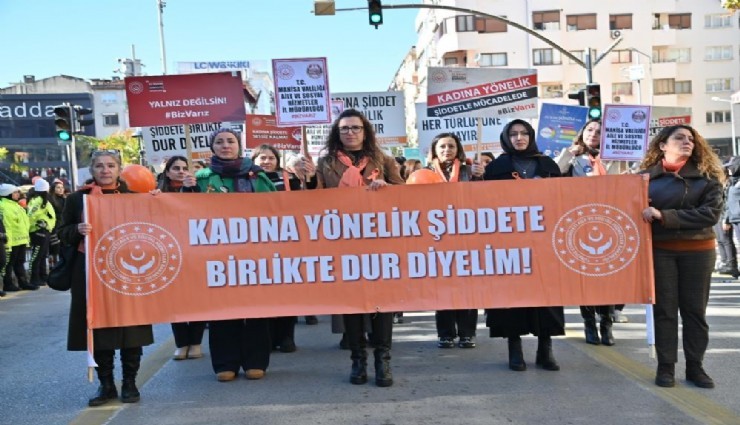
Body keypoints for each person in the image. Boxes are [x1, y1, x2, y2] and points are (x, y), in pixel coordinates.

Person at [311, 109, 404, 387]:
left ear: (365, 131)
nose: (350, 132)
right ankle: (358, 359)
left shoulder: (382, 159)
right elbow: (314, 198)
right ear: (337, 133)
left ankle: (383, 359)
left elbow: (406, 193)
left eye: (355, 128)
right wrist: (305, 177)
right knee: (352, 302)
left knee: (381, 302)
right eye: (344, 129)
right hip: (343, 239)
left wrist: (387, 188)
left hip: (379, 239)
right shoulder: (326, 162)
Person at [58, 150, 154, 406]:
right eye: (99, 166)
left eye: (111, 165)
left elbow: (154, 225)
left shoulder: (134, 198)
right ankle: (107, 384)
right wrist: (76, 230)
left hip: (128, 271)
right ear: (92, 170)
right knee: (99, 327)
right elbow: (62, 233)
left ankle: (130, 382)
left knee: (131, 325)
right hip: (90, 271)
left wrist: (156, 201)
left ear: (119, 170)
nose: (105, 170)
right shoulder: (77, 199)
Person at [639, 125, 724, 389]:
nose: (687, 142)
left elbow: (710, 214)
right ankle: (665, 367)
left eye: (691, 139)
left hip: (698, 252)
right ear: (662, 145)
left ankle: (695, 367)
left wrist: (663, 215)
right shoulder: (643, 179)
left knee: (694, 312)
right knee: (664, 311)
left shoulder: (708, 177)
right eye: (679, 138)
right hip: (660, 251)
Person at [196, 128, 276, 381]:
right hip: (217, 254)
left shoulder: (258, 176)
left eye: (230, 141)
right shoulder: (201, 178)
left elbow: (276, 208)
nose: (225, 145)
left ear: (239, 145)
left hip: (255, 253)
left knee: (256, 309)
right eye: (219, 142)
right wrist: (184, 191)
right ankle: (225, 363)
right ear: (212, 147)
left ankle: (256, 361)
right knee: (222, 309)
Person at [483, 119, 564, 372]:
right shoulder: (495, 168)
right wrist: (477, 180)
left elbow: (562, 198)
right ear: (506, 138)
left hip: (544, 239)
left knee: (547, 296)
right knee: (511, 296)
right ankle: (515, 348)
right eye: (514, 134)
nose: (519, 138)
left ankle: (545, 349)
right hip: (508, 241)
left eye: (524, 133)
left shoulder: (548, 165)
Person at [555, 118, 620, 346]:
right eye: (590, 129)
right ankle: (589, 322)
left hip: (610, 221)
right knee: (586, 278)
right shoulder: (574, 157)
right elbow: (554, 172)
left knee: (608, 278)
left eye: (599, 131)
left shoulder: (615, 157)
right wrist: (568, 154)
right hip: (580, 222)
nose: (593, 134)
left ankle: (606, 323)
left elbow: (624, 183)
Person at [251, 144, 317, 352]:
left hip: (286, 242)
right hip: (257, 244)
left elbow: (307, 200)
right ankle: (268, 338)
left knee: (288, 293)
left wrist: (310, 177)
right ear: (254, 160)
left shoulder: (289, 178)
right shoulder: (247, 180)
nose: (267, 162)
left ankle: (287, 336)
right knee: (264, 295)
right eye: (262, 158)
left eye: (271, 158)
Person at [428, 133, 483, 349]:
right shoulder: (426, 173)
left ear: (458, 149)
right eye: (442, 146)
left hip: (467, 234)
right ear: (434, 150)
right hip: (437, 236)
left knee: (468, 286)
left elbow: (482, 198)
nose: (446, 150)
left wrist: (479, 177)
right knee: (443, 287)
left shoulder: (470, 171)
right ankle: (446, 333)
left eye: (451, 146)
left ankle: (467, 333)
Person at [152, 156, 206, 360]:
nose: (181, 171)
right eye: (176, 168)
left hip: (195, 252)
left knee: (197, 300)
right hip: (170, 253)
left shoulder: (196, 189)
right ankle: (181, 343)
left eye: (184, 168)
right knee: (175, 300)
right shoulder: (158, 193)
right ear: (167, 172)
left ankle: (196, 343)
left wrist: (192, 190)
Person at [0, 184, 33, 291]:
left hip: (21, 239)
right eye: (15, 192)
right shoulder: (3, 206)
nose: (18, 194)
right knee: (9, 263)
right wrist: (7, 241)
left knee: (20, 261)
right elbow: (6, 224)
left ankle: (23, 282)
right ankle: (8, 284)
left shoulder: (16, 205)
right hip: (11, 240)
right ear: (8, 194)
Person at [26, 178, 56, 288]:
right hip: (39, 231)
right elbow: (30, 215)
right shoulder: (37, 200)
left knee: (43, 255)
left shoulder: (43, 200)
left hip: (45, 230)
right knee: (37, 256)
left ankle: (42, 276)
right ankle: (34, 278)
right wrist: (38, 224)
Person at [718, 157, 740, 277]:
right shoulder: (733, 181)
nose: (729, 169)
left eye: (732, 166)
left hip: (736, 217)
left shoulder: (735, 182)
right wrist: (727, 219)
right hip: (734, 217)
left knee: (726, 240)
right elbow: (728, 203)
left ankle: (732, 265)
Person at [47, 180, 67, 267]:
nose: (61, 189)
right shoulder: (50, 200)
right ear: (53, 189)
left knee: (63, 248)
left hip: (63, 226)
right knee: (54, 249)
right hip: (54, 227)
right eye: (58, 187)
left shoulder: (65, 199)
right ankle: (53, 266)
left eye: (62, 187)